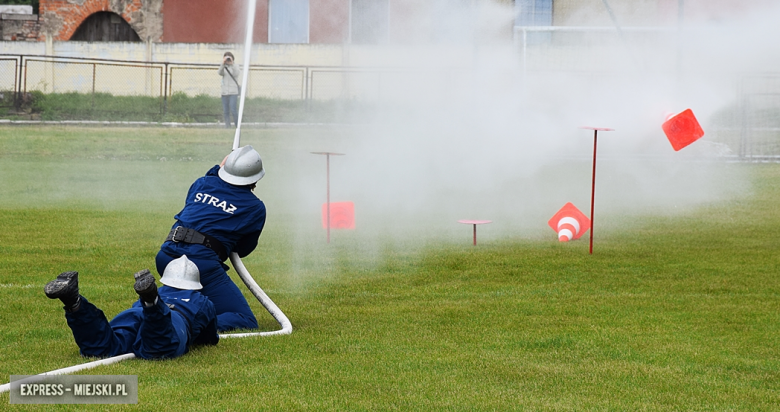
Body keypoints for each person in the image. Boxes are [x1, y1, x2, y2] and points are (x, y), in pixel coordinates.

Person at [155, 145, 266, 332]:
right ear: (255, 178)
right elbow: (243, 249)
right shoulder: (254, 207)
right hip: (202, 264)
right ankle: (188, 325)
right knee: (244, 319)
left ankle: (162, 316)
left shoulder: (202, 183)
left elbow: (211, 179)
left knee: (178, 300)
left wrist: (221, 167)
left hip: (166, 257)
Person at [44, 255, 219, 360]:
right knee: (159, 348)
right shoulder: (202, 301)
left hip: (134, 314)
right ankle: (152, 303)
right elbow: (209, 339)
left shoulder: (162, 288)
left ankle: (74, 303)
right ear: (196, 284)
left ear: (165, 280)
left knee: (102, 347)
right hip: (174, 319)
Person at [218, 51, 242, 128]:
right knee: (226, 111)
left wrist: (232, 64)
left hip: (233, 92)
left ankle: (237, 125)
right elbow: (220, 73)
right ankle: (227, 126)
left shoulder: (235, 66)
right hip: (224, 92)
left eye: (229, 58)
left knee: (233, 109)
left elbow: (237, 73)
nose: (228, 60)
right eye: (226, 57)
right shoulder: (223, 67)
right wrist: (223, 63)